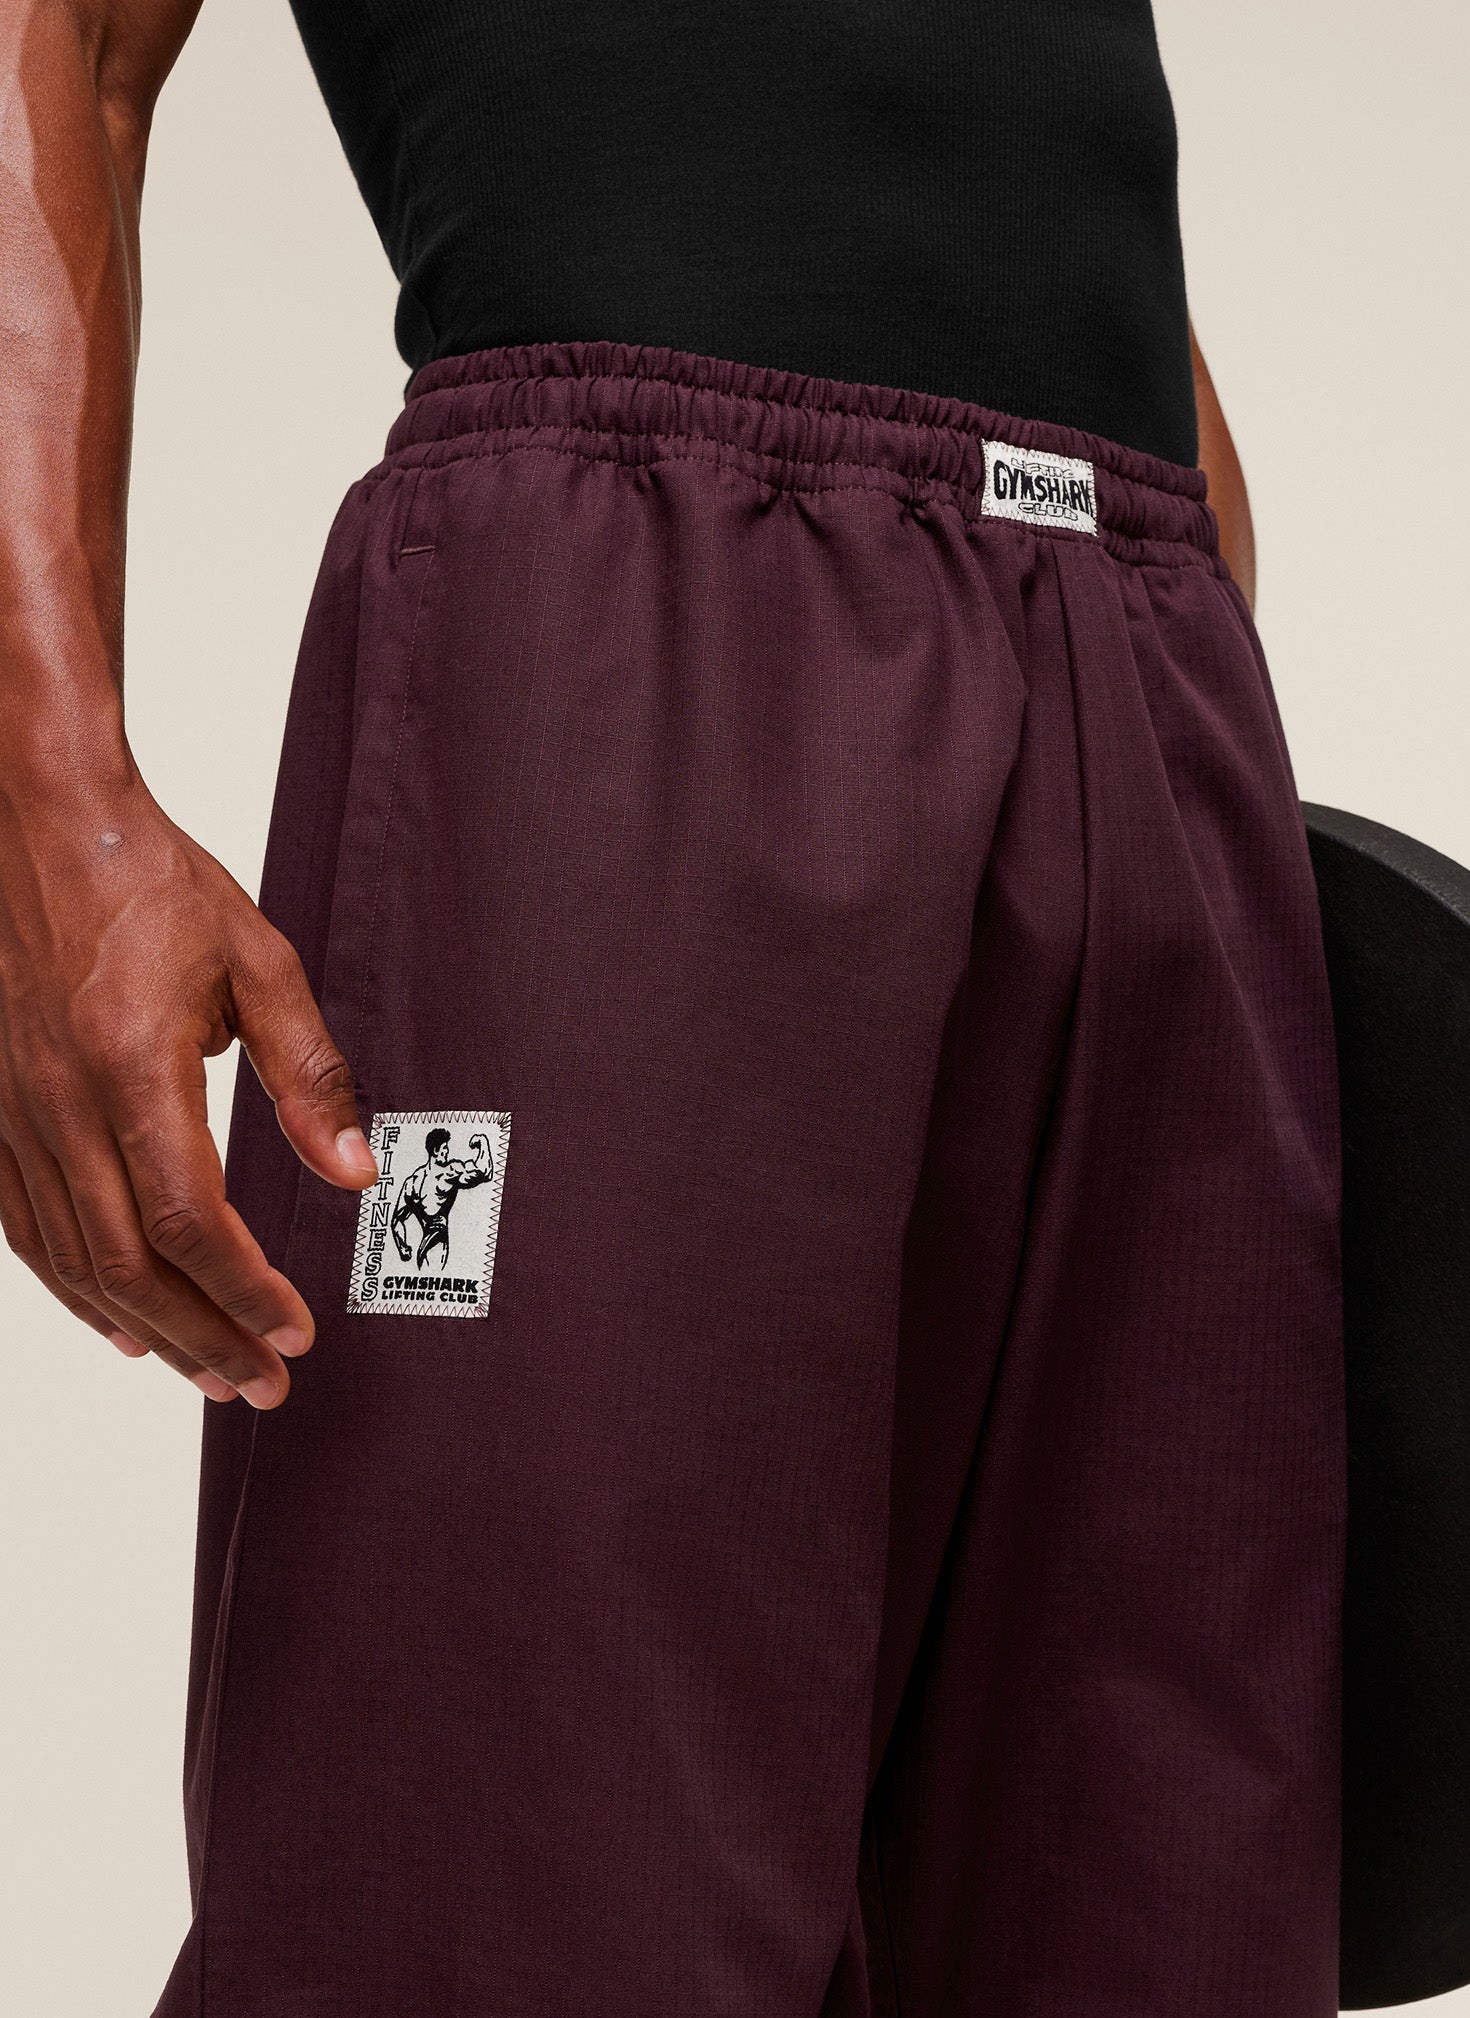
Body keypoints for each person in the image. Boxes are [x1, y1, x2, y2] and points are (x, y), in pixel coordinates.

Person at [0, 5, 1343, 2014]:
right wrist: (45, 806)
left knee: (1153, 1917)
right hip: (633, 628)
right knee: (512, 1890)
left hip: (1135, 641)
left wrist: (1167, 636)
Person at [390, 1128, 492, 1271]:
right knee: (433, 1274)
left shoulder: (412, 1181)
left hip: (424, 1247)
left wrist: (403, 1247)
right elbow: (485, 1172)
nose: (447, 1152)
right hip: (437, 1243)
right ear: (436, 1151)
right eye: (445, 1148)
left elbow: (396, 1221)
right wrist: (483, 1142)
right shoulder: (450, 1171)